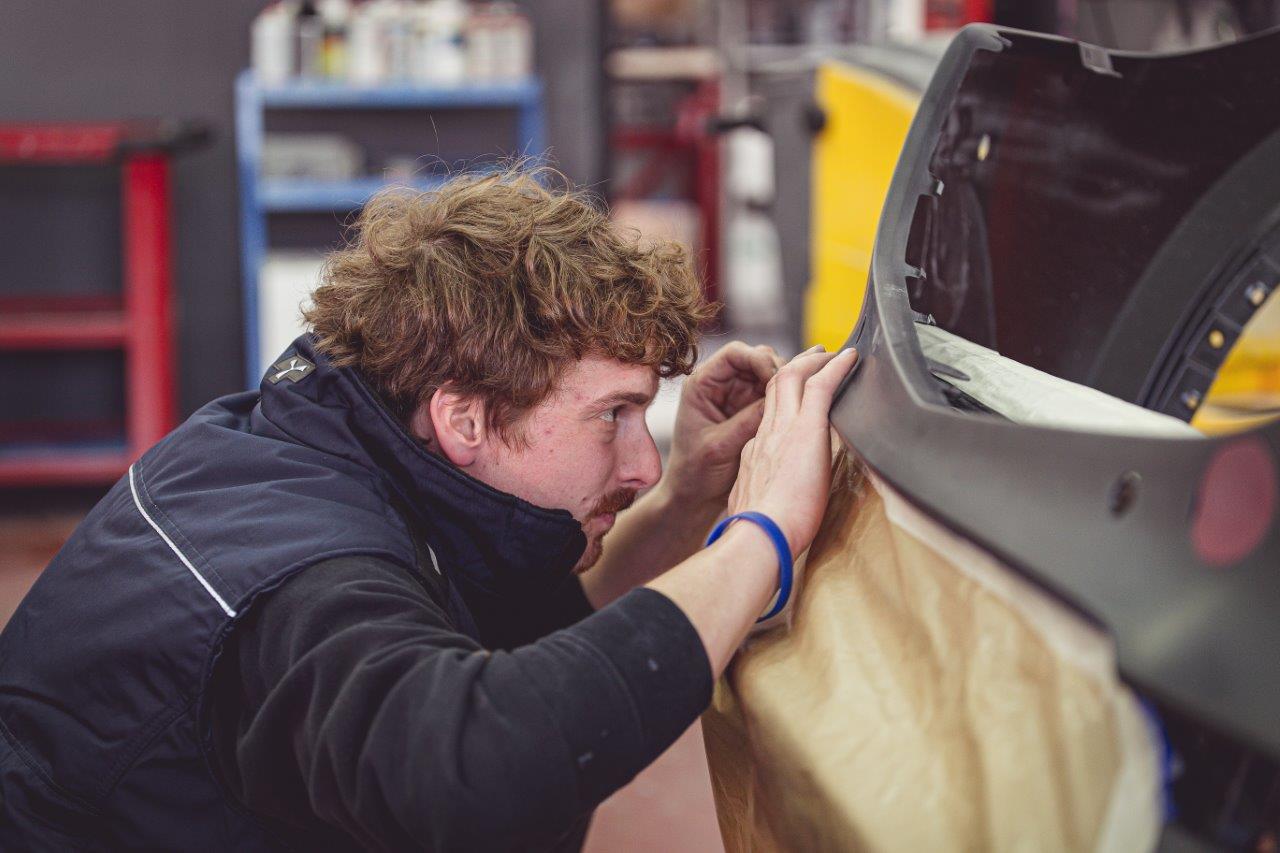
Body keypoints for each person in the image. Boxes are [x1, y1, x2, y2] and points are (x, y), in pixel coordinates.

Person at [0, 168, 856, 850]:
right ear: (466, 417)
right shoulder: (305, 583)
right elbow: (472, 768)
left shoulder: (318, 443)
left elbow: (522, 627)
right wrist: (765, 533)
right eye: (613, 417)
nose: (641, 463)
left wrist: (689, 500)